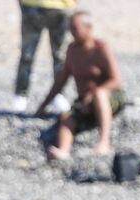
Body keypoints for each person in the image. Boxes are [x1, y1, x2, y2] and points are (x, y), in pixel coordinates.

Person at [35, 11, 124, 161]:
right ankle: (63, 151)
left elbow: (116, 81)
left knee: (99, 95)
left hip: (109, 97)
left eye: (76, 28)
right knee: (66, 117)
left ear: (88, 28)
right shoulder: (72, 51)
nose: (72, 32)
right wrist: (42, 106)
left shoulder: (101, 49)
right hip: (84, 101)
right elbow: (60, 82)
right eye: (70, 28)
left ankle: (104, 143)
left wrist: (94, 94)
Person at [12, 0, 76, 113]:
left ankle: (59, 94)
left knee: (60, 56)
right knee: (27, 54)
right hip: (32, 5)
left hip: (62, 7)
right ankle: (20, 95)